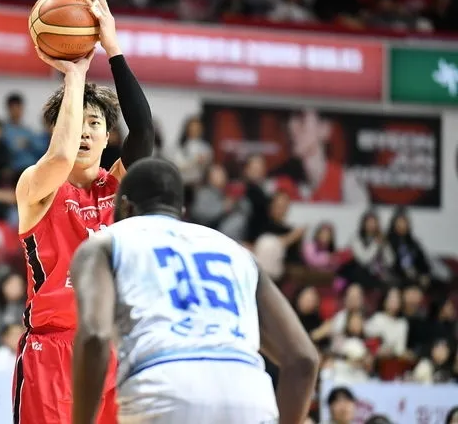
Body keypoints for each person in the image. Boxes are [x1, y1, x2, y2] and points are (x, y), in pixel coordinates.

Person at [69, 158, 319, 424]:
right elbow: (304, 360)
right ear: (181, 210)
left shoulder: (105, 241)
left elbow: (94, 336)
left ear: (125, 207)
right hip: (250, 397)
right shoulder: (237, 252)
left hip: (163, 390)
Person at [13, 0, 154, 424]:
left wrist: (111, 47)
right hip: (50, 350)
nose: (85, 131)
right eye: (77, 122)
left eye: (96, 123)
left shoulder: (118, 185)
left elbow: (145, 132)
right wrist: (75, 75)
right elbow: (58, 157)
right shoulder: (36, 185)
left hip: (111, 345)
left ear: (108, 136)